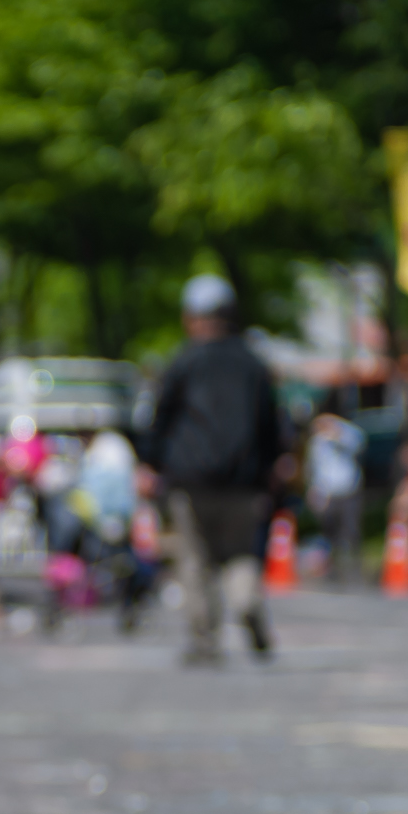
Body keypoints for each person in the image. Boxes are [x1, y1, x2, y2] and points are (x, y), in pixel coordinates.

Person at [144, 274, 288, 663]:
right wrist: (274, 465)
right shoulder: (254, 364)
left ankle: (205, 640)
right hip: (243, 481)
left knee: (195, 558)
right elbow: (273, 425)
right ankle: (247, 602)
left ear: (192, 317)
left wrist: (150, 463)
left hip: (189, 480)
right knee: (240, 552)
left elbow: (160, 420)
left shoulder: (183, 362)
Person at [304, 394, 366, 586]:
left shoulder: (346, 431)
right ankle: (332, 569)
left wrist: (336, 433)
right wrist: (315, 491)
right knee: (329, 532)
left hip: (348, 491)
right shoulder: (317, 441)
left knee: (350, 531)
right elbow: (315, 468)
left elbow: (358, 444)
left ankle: (352, 568)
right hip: (329, 493)